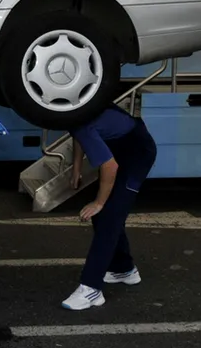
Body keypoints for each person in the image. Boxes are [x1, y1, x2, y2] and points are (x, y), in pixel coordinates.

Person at [62, 103, 158, 310]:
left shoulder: (78, 117)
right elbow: (79, 135)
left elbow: (109, 166)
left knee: (107, 215)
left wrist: (98, 203)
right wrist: (76, 168)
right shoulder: (73, 113)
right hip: (121, 148)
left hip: (138, 154)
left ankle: (91, 288)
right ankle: (124, 269)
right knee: (104, 214)